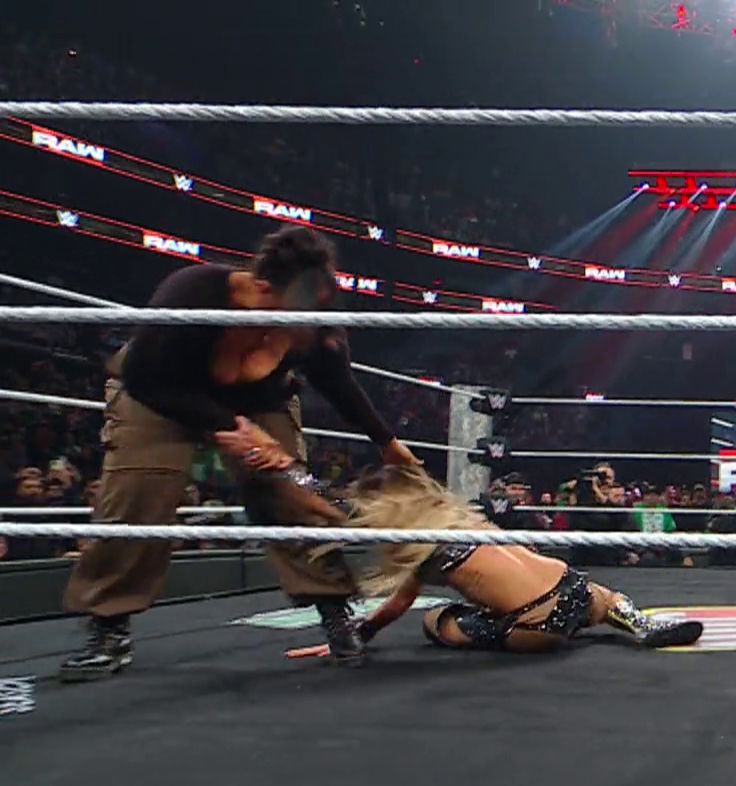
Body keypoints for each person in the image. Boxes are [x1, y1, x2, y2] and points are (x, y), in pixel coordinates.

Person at [62, 226, 417, 680]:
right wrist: (229, 426)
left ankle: (333, 609)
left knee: (290, 493)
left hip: (259, 398)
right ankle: (108, 626)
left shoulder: (315, 316)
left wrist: (386, 442)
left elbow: (336, 380)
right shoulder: (192, 293)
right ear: (263, 289)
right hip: (160, 393)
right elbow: (143, 380)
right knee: (139, 490)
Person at [316, 465, 703, 654]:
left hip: (539, 622)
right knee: (604, 598)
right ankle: (639, 624)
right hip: (575, 587)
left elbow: (399, 603)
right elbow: (407, 468)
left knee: (436, 621)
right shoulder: (464, 517)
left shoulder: (423, 546)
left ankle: (506, 623)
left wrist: (357, 634)